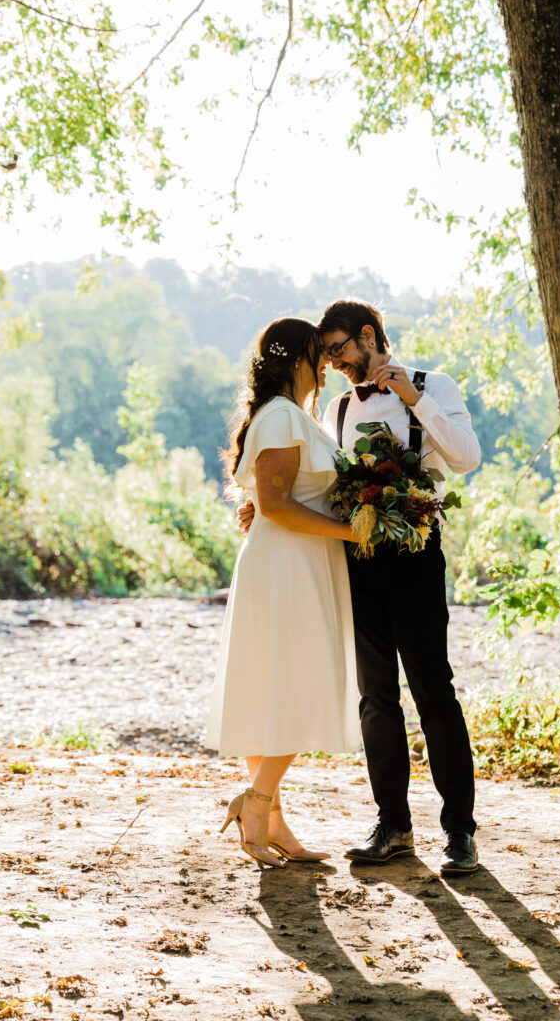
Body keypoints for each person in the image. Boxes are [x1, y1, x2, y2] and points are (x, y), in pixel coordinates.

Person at [239, 298, 482, 874]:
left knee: (433, 689)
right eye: (325, 355)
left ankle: (460, 831)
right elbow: (319, 480)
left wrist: (414, 399)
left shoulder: (434, 384)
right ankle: (393, 825)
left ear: (369, 336)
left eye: (340, 349)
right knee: (376, 696)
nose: (335, 363)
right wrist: (262, 506)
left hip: (416, 554)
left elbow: (467, 458)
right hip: (356, 554)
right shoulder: (339, 410)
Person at [205, 317, 362, 869]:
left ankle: (272, 823)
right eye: (319, 353)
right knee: (300, 682)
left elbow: (281, 495)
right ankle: (258, 801)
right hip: (287, 564)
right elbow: (273, 506)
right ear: (296, 357)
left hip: (294, 559)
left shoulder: (293, 415)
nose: (327, 363)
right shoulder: (281, 416)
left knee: (271, 686)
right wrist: (352, 529)